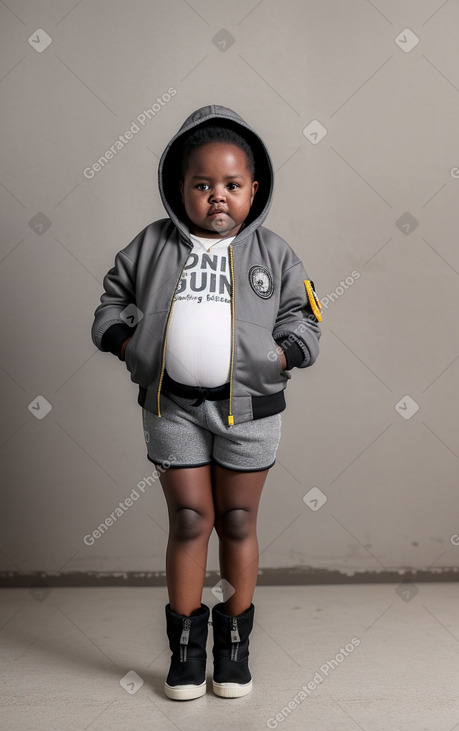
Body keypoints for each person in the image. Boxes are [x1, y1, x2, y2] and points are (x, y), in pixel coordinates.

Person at [91, 104, 322, 701]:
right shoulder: (152, 245)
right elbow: (111, 304)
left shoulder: (273, 253)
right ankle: (187, 651)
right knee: (191, 519)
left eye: (232, 185)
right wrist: (128, 346)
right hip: (174, 408)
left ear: (254, 189)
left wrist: (283, 355)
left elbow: (305, 317)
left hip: (249, 411)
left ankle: (234, 647)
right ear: (180, 188)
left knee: (238, 520)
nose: (217, 197)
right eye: (202, 185)